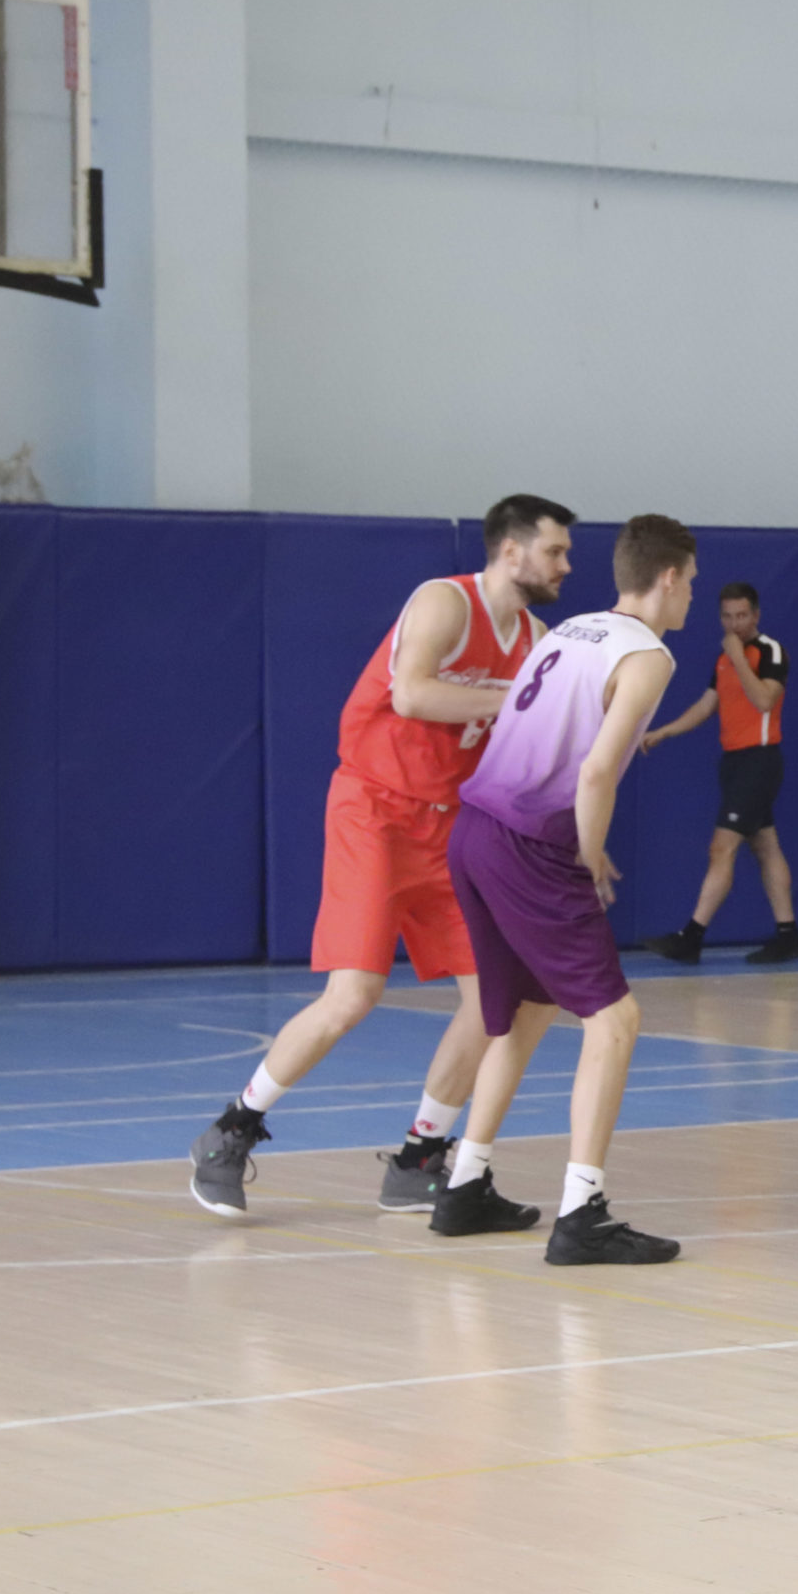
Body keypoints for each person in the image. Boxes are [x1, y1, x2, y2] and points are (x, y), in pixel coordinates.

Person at [190, 494, 573, 1218]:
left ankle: (419, 1156)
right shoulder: (444, 603)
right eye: (555, 550)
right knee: (354, 995)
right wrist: (514, 698)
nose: (566, 565)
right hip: (375, 809)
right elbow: (412, 694)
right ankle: (230, 1130)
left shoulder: (537, 639)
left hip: (452, 826)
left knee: (495, 1000)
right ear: (511, 550)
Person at [425, 514, 700, 1265]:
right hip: (530, 842)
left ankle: (464, 1184)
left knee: (526, 1011)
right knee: (616, 1021)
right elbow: (598, 770)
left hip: (473, 828)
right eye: (690, 583)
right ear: (668, 578)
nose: (690, 598)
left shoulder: (568, 630)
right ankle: (583, 1214)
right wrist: (588, 853)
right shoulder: (648, 655)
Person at [641, 581, 798, 965]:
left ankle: (691, 937)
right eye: (728, 617)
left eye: (742, 615)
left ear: (756, 615)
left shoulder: (769, 650)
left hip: (759, 761)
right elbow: (706, 705)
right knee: (765, 847)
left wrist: (739, 658)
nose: (735, 624)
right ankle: (789, 935)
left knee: (721, 848)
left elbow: (764, 700)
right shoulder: (724, 658)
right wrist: (665, 731)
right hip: (735, 763)